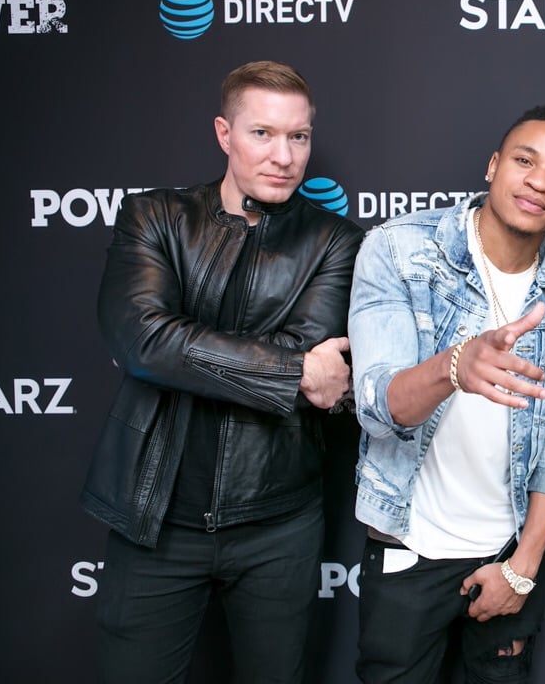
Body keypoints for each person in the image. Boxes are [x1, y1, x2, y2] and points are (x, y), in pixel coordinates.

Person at [81, 60, 363, 684]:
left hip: (278, 524)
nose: (285, 156)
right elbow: (144, 340)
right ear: (223, 133)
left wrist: (190, 345)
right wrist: (291, 372)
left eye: (299, 136)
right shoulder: (155, 217)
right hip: (157, 518)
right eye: (262, 133)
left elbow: (320, 356)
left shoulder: (335, 240)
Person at [348, 103, 545, 683]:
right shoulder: (400, 250)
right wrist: (455, 366)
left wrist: (523, 567)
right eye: (525, 161)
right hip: (408, 547)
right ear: (493, 166)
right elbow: (376, 406)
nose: (539, 181)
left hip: (505, 557)